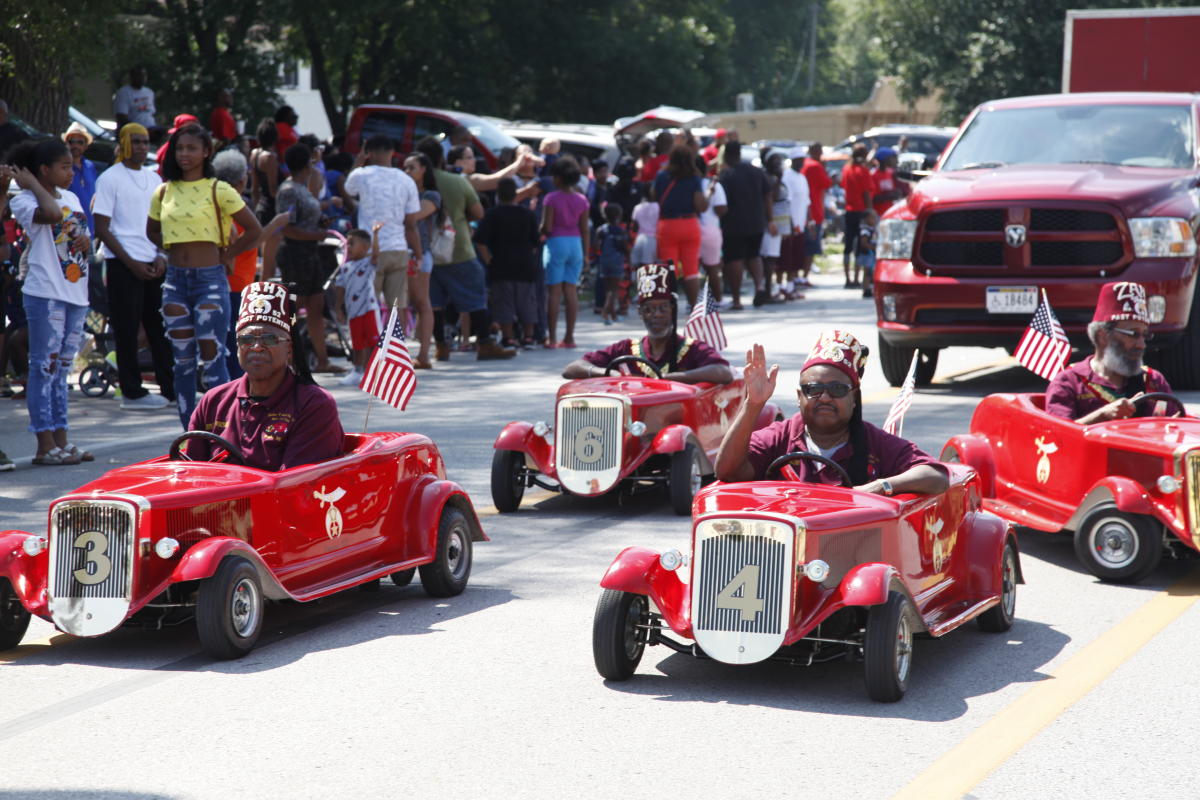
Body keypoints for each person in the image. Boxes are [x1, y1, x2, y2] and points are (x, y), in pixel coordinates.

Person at [715, 330, 949, 494]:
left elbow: (936, 476)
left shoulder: (874, 442)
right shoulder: (780, 436)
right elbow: (727, 471)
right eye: (813, 389)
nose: (825, 397)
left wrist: (882, 486)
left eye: (837, 389)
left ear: (854, 398)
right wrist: (753, 404)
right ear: (799, 397)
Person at [148, 123, 263, 427]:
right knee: (182, 363)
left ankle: (224, 432)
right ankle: (191, 433)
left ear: (206, 152)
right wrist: (174, 248)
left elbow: (255, 230)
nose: (184, 154)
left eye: (192, 148)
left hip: (210, 281)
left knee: (214, 359)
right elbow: (151, 231)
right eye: (179, 148)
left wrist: (226, 255)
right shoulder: (163, 191)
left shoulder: (219, 189)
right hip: (174, 282)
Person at [187, 281, 343, 471]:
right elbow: (189, 472)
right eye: (246, 339)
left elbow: (295, 484)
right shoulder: (213, 401)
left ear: (289, 348)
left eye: (269, 338)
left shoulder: (314, 404)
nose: (257, 346)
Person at [4, 137, 93, 464]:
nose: (71, 172)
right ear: (43, 170)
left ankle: (62, 439)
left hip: (75, 293)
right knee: (44, 366)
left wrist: (85, 240)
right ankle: (44, 444)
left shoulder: (71, 196)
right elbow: (53, 213)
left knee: (63, 369)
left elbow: (81, 235)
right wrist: (28, 184)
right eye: (64, 166)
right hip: (45, 294)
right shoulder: (25, 201)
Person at [92, 122, 173, 410]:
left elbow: (161, 223)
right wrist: (133, 263)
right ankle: (132, 392)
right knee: (126, 329)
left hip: (153, 261)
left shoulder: (154, 179)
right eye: (135, 141)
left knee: (159, 326)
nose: (141, 147)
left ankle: (170, 389)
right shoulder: (109, 178)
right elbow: (102, 228)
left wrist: (161, 255)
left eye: (144, 142)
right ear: (123, 143)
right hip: (123, 263)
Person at [414, 136, 515, 361]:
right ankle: (485, 344)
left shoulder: (414, 184)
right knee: (475, 296)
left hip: (424, 250)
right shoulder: (456, 181)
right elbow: (479, 213)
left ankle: (441, 346)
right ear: (441, 157)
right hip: (458, 248)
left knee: (435, 302)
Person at [563, 263, 732, 384]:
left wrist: (668, 379)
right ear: (640, 313)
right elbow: (571, 369)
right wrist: (611, 374)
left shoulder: (691, 348)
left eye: (663, 308)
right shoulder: (626, 348)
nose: (656, 315)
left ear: (672, 310)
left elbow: (723, 372)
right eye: (649, 309)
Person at [1045, 281, 1174, 423]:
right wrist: (1102, 415)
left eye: (1145, 335)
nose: (1142, 345)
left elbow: (1178, 426)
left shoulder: (1153, 381)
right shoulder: (1069, 382)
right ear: (1103, 336)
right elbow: (1058, 436)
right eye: (1133, 334)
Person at [212, 149, 288, 379]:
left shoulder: (222, 203)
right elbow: (248, 241)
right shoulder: (233, 207)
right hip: (234, 285)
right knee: (234, 344)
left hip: (237, 282)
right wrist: (274, 224)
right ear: (241, 180)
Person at [275, 142, 345, 375]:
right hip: (295, 253)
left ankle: (321, 360)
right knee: (296, 308)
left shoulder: (301, 188)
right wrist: (317, 233)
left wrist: (319, 225)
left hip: (310, 253)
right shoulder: (288, 191)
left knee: (316, 304)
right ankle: (292, 362)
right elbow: (287, 228)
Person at [344, 135, 422, 319]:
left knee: (367, 307)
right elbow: (411, 224)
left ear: (368, 153)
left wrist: (359, 160)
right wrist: (418, 254)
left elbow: (348, 189)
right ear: (392, 152)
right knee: (398, 307)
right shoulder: (406, 181)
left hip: (369, 250)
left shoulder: (361, 175)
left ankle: (371, 347)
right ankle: (398, 346)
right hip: (398, 249)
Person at [475, 177, 540, 348]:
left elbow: (480, 241)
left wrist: (488, 259)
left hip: (501, 264)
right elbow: (536, 242)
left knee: (504, 303)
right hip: (525, 264)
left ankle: (508, 337)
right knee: (527, 301)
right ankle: (529, 337)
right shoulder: (528, 214)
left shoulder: (492, 214)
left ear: (498, 194)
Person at [540, 155, 589, 348]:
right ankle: (569, 337)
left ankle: (551, 338)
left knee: (554, 291)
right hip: (576, 244)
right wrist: (586, 254)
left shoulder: (551, 198)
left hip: (556, 244)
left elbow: (547, 227)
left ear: (558, 178)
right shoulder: (582, 199)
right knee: (571, 290)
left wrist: (539, 230)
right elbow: (585, 228)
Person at [718, 141, 771, 309]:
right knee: (754, 256)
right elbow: (768, 195)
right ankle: (759, 287)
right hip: (756, 222)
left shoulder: (726, 175)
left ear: (726, 155)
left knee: (735, 260)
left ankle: (736, 300)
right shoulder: (756, 172)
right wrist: (769, 219)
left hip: (733, 225)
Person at [653, 145, 707, 306]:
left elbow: (655, 197)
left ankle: (669, 310)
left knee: (669, 271)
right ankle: (695, 310)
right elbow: (701, 206)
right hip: (690, 224)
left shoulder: (661, 176)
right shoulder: (694, 178)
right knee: (691, 271)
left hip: (667, 225)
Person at [402, 151, 442, 368]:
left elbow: (412, 217)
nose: (406, 172)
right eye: (405, 168)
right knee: (401, 303)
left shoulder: (431, 196)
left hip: (419, 255)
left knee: (421, 302)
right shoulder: (404, 192)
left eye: (411, 167)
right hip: (402, 252)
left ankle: (424, 355)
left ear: (424, 169)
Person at [333, 225, 382, 384]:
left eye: (352, 243)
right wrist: (338, 307)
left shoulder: (368, 263)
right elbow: (340, 288)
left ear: (365, 247)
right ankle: (357, 371)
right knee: (357, 343)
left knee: (373, 341)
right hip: (353, 313)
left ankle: (373, 371)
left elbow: (376, 255)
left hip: (369, 309)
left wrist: (375, 235)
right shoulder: (345, 267)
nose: (348, 247)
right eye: (347, 243)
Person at [250, 119, 282, 280]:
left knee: (265, 262)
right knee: (269, 266)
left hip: (260, 209)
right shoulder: (270, 158)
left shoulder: (254, 154)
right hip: (271, 211)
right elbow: (273, 190)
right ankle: (263, 301)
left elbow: (255, 189)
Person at [799, 143, 832, 287]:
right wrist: (824, 169)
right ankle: (804, 277)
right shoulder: (815, 166)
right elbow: (827, 183)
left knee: (801, 246)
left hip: (802, 212)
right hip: (814, 211)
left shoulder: (803, 164)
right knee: (810, 247)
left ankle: (796, 277)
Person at [841, 143, 873, 288]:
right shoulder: (863, 171)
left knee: (848, 246)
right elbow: (866, 193)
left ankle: (848, 279)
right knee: (861, 247)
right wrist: (870, 211)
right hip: (861, 212)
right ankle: (856, 278)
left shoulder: (846, 169)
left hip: (849, 211)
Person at [780, 150, 811, 296]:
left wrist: (809, 221)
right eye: (799, 160)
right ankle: (781, 286)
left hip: (801, 223)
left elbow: (806, 202)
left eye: (803, 159)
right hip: (790, 224)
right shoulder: (787, 177)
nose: (802, 162)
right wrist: (790, 223)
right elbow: (787, 202)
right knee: (787, 257)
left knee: (797, 256)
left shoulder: (802, 177)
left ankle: (792, 286)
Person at [593, 204, 629, 326]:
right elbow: (625, 247)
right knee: (613, 290)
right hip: (616, 261)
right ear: (619, 216)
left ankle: (613, 315)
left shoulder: (600, 230)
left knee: (608, 288)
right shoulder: (620, 231)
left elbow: (596, 246)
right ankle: (605, 312)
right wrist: (628, 259)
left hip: (604, 261)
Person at [697, 156, 727, 301]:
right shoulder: (712, 185)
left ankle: (693, 302)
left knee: (692, 270)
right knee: (712, 268)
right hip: (710, 229)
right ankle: (718, 301)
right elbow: (721, 208)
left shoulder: (685, 184)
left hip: (692, 229)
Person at [62, 122, 99, 235]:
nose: (75, 145)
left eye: (80, 142)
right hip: (68, 228)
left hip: (91, 228)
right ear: (66, 144)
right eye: (71, 142)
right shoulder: (61, 167)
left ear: (86, 146)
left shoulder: (90, 166)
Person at [630, 184, 659, 269]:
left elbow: (634, 227)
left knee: (639, 269)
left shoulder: (637, 207)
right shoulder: (659, 207)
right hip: (653, 240)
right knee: (651, 269)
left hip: (639, 240)